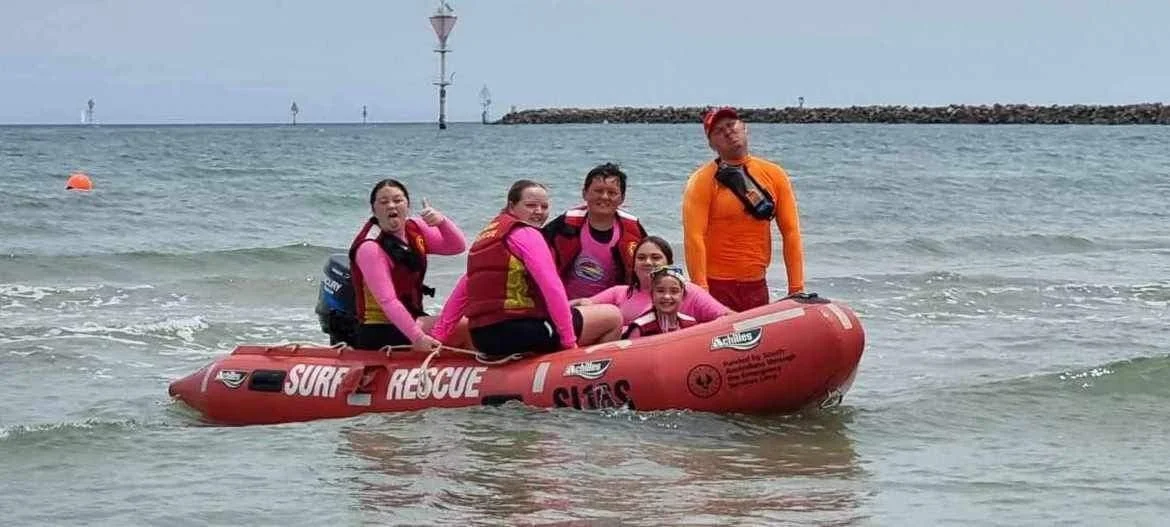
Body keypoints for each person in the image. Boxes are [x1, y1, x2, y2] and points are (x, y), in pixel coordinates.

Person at [430, 180, 623, 357]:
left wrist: (439, 336)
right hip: (521, 333)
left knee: (574, 309)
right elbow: (552, 288)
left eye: (544, 206)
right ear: (512, 206)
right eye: (531, 205)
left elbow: (462, 291)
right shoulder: (527, 234)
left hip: (483, 338)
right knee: (611, 316)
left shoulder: (487, 237)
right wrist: (569, 343)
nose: (539, 211)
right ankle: (586, 378)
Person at [681, 106, 805, 311]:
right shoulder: (702, 181)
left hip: (756, 284)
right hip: (716, 284)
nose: (728, 132)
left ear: (745, 127)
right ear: (711, 144)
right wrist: (701, 290)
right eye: (719, 131)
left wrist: (796, 287)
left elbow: (791, 232)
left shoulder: (774, 174)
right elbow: (694, 238)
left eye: (731, 125)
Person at [349, 178, 467, 352]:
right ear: (373, 210)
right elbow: (387, 301)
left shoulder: (415, 229)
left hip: (413, 320)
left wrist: (442, 222)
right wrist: (418, 338)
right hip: (381, 329)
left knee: (471, 321)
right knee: (465, 327)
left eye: (398, 200)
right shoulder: (370, 247)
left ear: (407, 206)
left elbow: (456, 247)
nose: (391, 206)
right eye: (383, 202)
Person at [543, 163, 648, 300]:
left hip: (615, 306)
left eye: (612, 193)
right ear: (584, 193)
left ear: (622, 198)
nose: (604, 197)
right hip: (569, 305)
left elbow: (653, 266)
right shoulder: (564, 226)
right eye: (598, 191)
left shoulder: (633, 229)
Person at [572, 235, 730, 325]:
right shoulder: (619, 293)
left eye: (655, 257)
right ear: (633, 265)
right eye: (641, 258)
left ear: (668, 264)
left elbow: (727, 317)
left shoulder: (689, 292)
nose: (648, 262)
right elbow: (583, 305)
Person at [622, 265, 699, 339]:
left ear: (683, 296)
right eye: (660, 291)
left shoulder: (690, 324)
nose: (666, 296)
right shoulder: (641, 327)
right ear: (652, 295)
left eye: (674, 291)